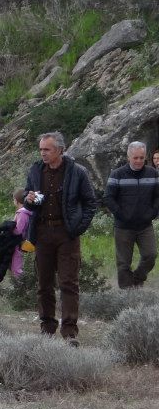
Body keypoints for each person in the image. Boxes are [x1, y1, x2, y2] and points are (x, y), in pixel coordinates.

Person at [23, 131, 97, 343]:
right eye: (41, 149)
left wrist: (77, 228)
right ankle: (47, 328)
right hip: (42, 233)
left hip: (67, 234)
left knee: (68, 283)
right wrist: (29, 199)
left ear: (60, 150)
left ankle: (69, 332)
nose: (43, 153)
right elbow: (28, 199)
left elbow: (91, 202)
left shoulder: (77, 172)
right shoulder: (36, 170)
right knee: (44, 284)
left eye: (47, 149)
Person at [103, 141, 159, 289]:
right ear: (128, 157)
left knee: (151, 255)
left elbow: (157, 196)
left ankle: (136, 279)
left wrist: (153, 212)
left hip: (145, 226)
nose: (139, 161)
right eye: (135, 158)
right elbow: (108, 197)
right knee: (123, 263)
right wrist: (121, 214)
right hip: (123, 226)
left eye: (141, 157)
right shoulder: (117, 174)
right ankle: (126, 294)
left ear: (145, 156)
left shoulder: (153, 174)